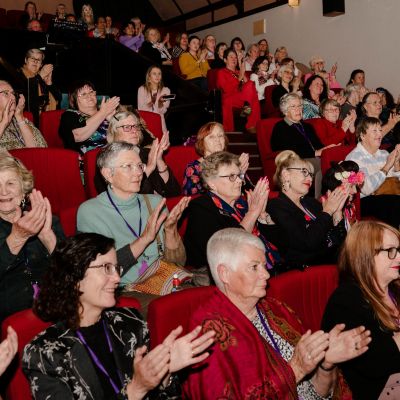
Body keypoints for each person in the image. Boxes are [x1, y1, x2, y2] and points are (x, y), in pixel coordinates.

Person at [183, 227, 371, 399]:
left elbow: (316, 392)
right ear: (224, 274)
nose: (266, 274)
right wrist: (296, 369)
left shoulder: (275, 309)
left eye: (264, 266)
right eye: (254, 267)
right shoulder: (209, 331)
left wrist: (326, 363)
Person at [23, 232, 215, 399]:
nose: (116, 278)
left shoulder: (130, 321)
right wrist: (135, 390)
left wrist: (164, 372)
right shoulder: (44, 353)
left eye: (116, 269)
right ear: (74, 278)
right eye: (106, 268)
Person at [77, 142, 188, 291]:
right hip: (125, 293)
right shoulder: (90, 212)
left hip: (166, 283)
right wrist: (143, 240)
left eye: (140, 166)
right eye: (128, 166)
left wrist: (170, 231)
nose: (138, 173)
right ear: (108, 174)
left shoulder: (155, 203)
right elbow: (101, 272)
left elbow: (179, 262)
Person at [322, 220, 400, 399]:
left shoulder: (395, 288)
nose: (398, 257)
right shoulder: (346, 300)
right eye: (390, 251)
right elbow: (375, 363)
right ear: (365, 255)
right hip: (375, 389)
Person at [184, 151, 278, 270]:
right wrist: (253, 213)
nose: (239, 181)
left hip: (270, 267)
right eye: (231, 177)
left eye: (239, 176)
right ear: (211, 183)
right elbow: (228, 251)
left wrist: (262, 215)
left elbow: (281, 244)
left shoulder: (243, 203)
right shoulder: (201, 207)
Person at [0, 154, 64, 322]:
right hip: (9, 319)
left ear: (24, 189)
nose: (3, 191)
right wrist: (17, 238)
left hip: (56, 309)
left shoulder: (45, 220)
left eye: (10, 183)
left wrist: (48, 237)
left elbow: (72, 271)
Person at [267, 150, 349, 269]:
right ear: (286, 175)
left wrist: (337, 214)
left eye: (311, 174)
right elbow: (307, 243)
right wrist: (327, 212)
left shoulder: (310, 203)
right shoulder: (277, 206)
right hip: (308, 268)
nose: (310, 179)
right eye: (304, 172)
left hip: (331, 259)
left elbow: (339, 241)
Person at [271, 93, 337, 196]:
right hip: (295, 161)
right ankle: (317, 202)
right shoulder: (280, 127)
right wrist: (315, 153)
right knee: (321, 167)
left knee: (335, 164)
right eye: (293, 107)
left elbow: (318, 145)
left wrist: (327, 149)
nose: (298, 109)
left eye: (300, 106)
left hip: (314, 158)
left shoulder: (307, 126)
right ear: (285, 110)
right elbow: (289, 151)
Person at [106, 110, 180, 197]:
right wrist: (149, 167)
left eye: (135, 126)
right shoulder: (108, 159)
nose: (134, 131)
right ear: (114, 132)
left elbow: (174, 192)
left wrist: (159, 160)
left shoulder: (147, 153)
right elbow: (124, 197)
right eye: (127, 127)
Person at [345, 117, 400, 227]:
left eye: (380, 130)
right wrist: (386, 167)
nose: (379, 134)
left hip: (388, 195)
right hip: (365, 201)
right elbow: (366, 189)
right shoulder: (354, 158)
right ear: (362, 135)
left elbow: (394, 182)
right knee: (394, 203)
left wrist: (397, 167)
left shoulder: (384, 154)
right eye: (374, 131)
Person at [182, 121, 249, 195]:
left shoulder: (233, 163)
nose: (217, 140)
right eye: (211, 137)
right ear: (201, 143)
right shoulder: (194, 168)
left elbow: (246, 192)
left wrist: (241, 173)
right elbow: (192, 198)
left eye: (220, 136)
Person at [58, 80, 120, 155]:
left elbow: (125, 136)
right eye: (83, 94)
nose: (89, 96)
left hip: (116, 154)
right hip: (88, 160)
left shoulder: (108, 111)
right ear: (73, 99)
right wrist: (103, 113)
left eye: (91, 92)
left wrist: (113, 121)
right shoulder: (69, 115)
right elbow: (77, 136)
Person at [217, 48, 260, 133]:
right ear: (225, 60)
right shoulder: (222, 72)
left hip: (243, 97)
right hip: (230, 98)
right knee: (253, 97)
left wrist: (241, 69)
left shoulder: (238, 71)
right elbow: (226, 89)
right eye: (231, 57)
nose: (234, 59)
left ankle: (247, 112)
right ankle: (251, 124)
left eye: (235, 57)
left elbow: (248, 85)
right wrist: (239, 78)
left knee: (251, 87)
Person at [17, 48, 61, 127]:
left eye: (39, 60)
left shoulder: (42, 78)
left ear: (41, 64)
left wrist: (49, 83)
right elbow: (27, 100)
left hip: (45, 121)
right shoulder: (18, 77)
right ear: (26, 60)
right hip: (26, 121)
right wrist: (40, 77)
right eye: (32, 58)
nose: (35, 61)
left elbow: (59, 98)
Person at [0, 80, 47, 150]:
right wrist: (4, 123)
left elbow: (40, 150)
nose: (13, 97)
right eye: (6, 93)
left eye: (13, 93)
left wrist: (19, 117)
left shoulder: (20, 120)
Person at [321, 160, 364, 231]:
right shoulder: (323, 209)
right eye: (350, 186)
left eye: (355, 186)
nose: (355, 191)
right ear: (336, 187)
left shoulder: (350, 205)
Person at [137, 66, 171, 133]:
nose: (157, 76)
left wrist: (160, 103)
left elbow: (163, 111)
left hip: (160, 122)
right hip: (146, 123)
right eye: (154, 73)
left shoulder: (166, 90)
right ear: (149, 77)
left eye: (159, 73)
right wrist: (152, 103)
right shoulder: (142, 89)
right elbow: (141, 109)